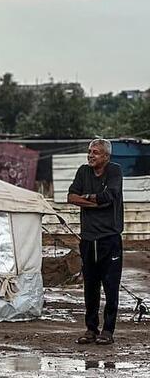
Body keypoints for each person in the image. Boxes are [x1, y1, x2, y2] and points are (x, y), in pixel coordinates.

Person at [68, 138, 124, 345]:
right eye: (90, 151)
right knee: (90, 286)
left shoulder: (115, 171)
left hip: (109, 238)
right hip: (88, 238)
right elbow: (71, 197)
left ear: (106, 157)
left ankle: (108, 331)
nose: (91, 155)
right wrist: (94, 202)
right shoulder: (83, 171)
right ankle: (91, 328)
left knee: (110, 285)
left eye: (96, 152)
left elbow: (110, 195)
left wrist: (88, 198)